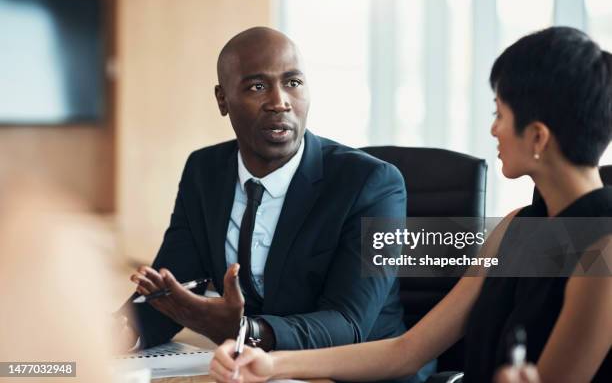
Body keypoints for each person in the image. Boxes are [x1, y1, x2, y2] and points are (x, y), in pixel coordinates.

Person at [210, 27, 612, 383]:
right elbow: (408, 351)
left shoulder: (603, 250)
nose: (493, 129)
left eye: (499, 114)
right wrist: (274, 364)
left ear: (538, 137)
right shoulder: (517, 228)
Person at [118, 27, 434, 382]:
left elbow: (349, 322)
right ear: (223, 100)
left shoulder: (371, 184)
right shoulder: (205, 172)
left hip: (359, 376)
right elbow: (173, 292)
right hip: (257, 372)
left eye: (293, 83)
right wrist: (115, 333)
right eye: (257, 86)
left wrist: (248, 330)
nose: (280, 101)